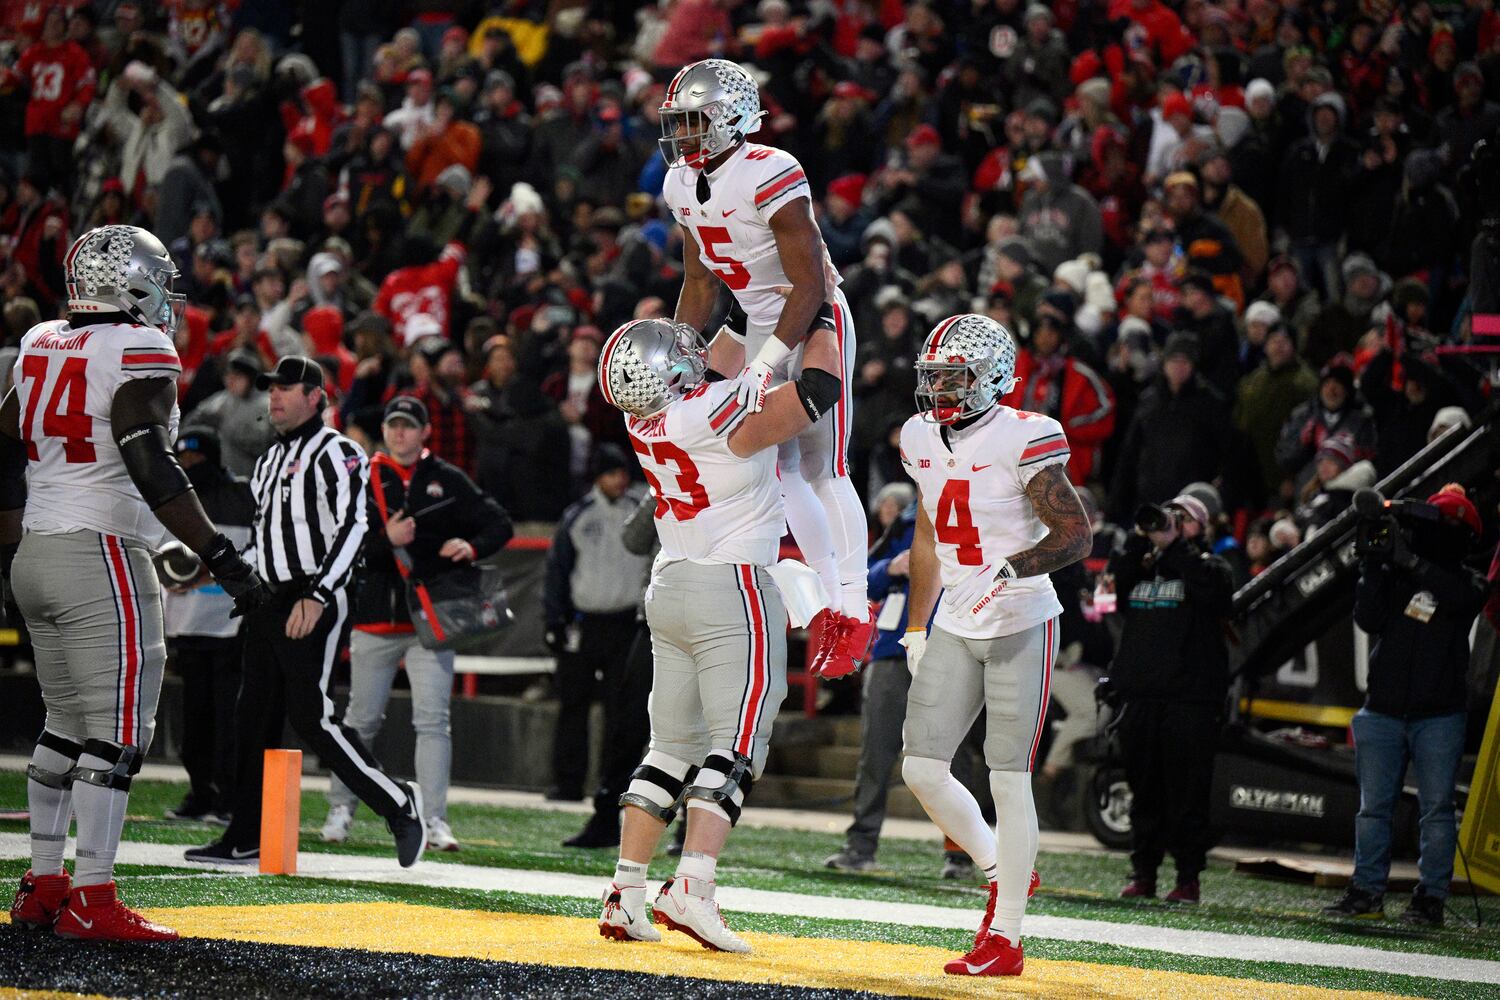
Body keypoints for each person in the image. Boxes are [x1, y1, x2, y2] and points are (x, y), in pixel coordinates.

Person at [3, 225, 267, 941]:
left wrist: (14, 548)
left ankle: (44, 881)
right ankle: (92, 895)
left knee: (63, 724)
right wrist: (221, 554)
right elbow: (149, 460)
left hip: (37, 549)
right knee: (119, 733)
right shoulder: (137, 347)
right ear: (135, 285)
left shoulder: (38, 343)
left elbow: (5, 446)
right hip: (101, 549)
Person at [594, 317, 844, 952]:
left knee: (669, 747)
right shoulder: (710, 410)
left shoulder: (642, 418)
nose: (695, 354)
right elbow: (818, 390)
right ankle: (693, 887)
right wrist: (817, 318)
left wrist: (754, 314)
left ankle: (625, 893)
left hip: (671, 584)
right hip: (730, 583)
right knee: (738, 744)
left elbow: (715, 358)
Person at [658, 58, 870, 677]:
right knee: (777, 469)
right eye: (680, 123)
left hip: (813, 316)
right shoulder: (680, 183)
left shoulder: (772, 171)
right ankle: (827, 601)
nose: (685, 135)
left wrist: (767, 364)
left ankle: (852, 608)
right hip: (754, 320)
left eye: (696, 122)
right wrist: (680, 348)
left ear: (730, 120)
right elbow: (700, 281)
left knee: (823, 465)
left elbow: (807, 285)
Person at [898, 313, 1092, 977]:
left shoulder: (1027, 434)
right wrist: (917, 623)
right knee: (921, 767)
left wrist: (1009, 572)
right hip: (956, 615)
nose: (941, 387)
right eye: (935, 375)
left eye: (955, 375)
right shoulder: (918, 436)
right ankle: (1001, 870)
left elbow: (1075, 535)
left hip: (1020, 619)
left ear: (992, 377)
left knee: (1009, 778)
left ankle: (1006, 933)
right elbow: (928, 535)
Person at [185, 356, 426, 868]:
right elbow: (268, 540)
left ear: (316, 396)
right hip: (270, 597)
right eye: (271, 389)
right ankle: (246, 833)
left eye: (287, 388)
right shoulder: (269, 460)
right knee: (252, 718)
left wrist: (317, 594)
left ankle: (400, 803)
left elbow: (355, 527)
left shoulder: (338, 452)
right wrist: (238, 579)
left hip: (313, 594)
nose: (274, 396)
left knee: (311, 717)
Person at [321, 395, 513, 853]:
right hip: (374, 619)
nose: (400, 432)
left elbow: (499, 524)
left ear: (425, 431)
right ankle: (340, 810)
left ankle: (434, 820)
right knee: (361, 721)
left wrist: (471, 545)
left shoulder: (446, 478)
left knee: (432, 722)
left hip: (429, 622)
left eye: (408, 425)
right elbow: (338, 542)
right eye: (393, 424)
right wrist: (384, 541)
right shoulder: (363, 477)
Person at [1323, 485, 1487, 926]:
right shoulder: (1396, 574)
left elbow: (1465, 599)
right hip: (1383, 710)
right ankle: (1366, 892)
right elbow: (1367, 619)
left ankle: (1430, 898)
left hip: (1438, 714)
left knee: (1435, 810)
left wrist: (1408, 561)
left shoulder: (1466, 578)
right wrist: (1374, 568)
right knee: (1373, 808)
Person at [1105, 494, 1233, 904]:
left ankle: (1187, 878)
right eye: (1167, 515)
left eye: (1183, 518)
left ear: (1203, 526)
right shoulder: (1144, 564)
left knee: (1186, 793)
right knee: (1144, 792)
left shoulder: (1212, 566)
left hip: (1189, 700)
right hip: (1141, 697)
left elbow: (1216, 597)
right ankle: (1143, 873)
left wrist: (1177, 546)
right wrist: (1140, 544)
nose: (1170, 523)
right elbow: (1112, 595)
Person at [542, 444, 651, 802]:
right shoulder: (579, 515)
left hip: (626, 623)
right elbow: (557, 572)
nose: (619, 479)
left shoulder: (639, 510)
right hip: (584, 623)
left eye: (622, 472)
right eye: (611, 472)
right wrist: (554, 620)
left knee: (621, 710)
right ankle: (567, 782)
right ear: (597, 476)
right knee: (573, 704)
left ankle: (612, 783)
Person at [160, 426, 255, 824]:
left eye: (197, 459)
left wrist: (207, 576)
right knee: (194, 718)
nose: (189, 465)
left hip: (231, 625)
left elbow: (258, 549)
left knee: (227, 718)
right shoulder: (172, 499)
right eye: (184, 459)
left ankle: (228, 797)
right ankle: (201, 793)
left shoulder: (242, 496)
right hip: (188, 625)